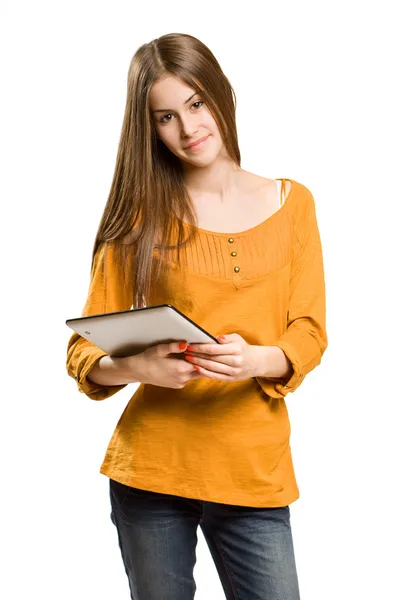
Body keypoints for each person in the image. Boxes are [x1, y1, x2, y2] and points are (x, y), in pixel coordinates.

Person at [66, 32, 328, 600]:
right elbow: (83, 352)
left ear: (221, 96)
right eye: (165, 117)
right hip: (152, 473)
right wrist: (139, 368)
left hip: (253, 471)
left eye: (196, 104)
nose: (187, 129)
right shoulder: (140, 216)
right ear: (149, 130)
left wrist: (258, 358)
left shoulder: (293, 204)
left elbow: (308, 330)